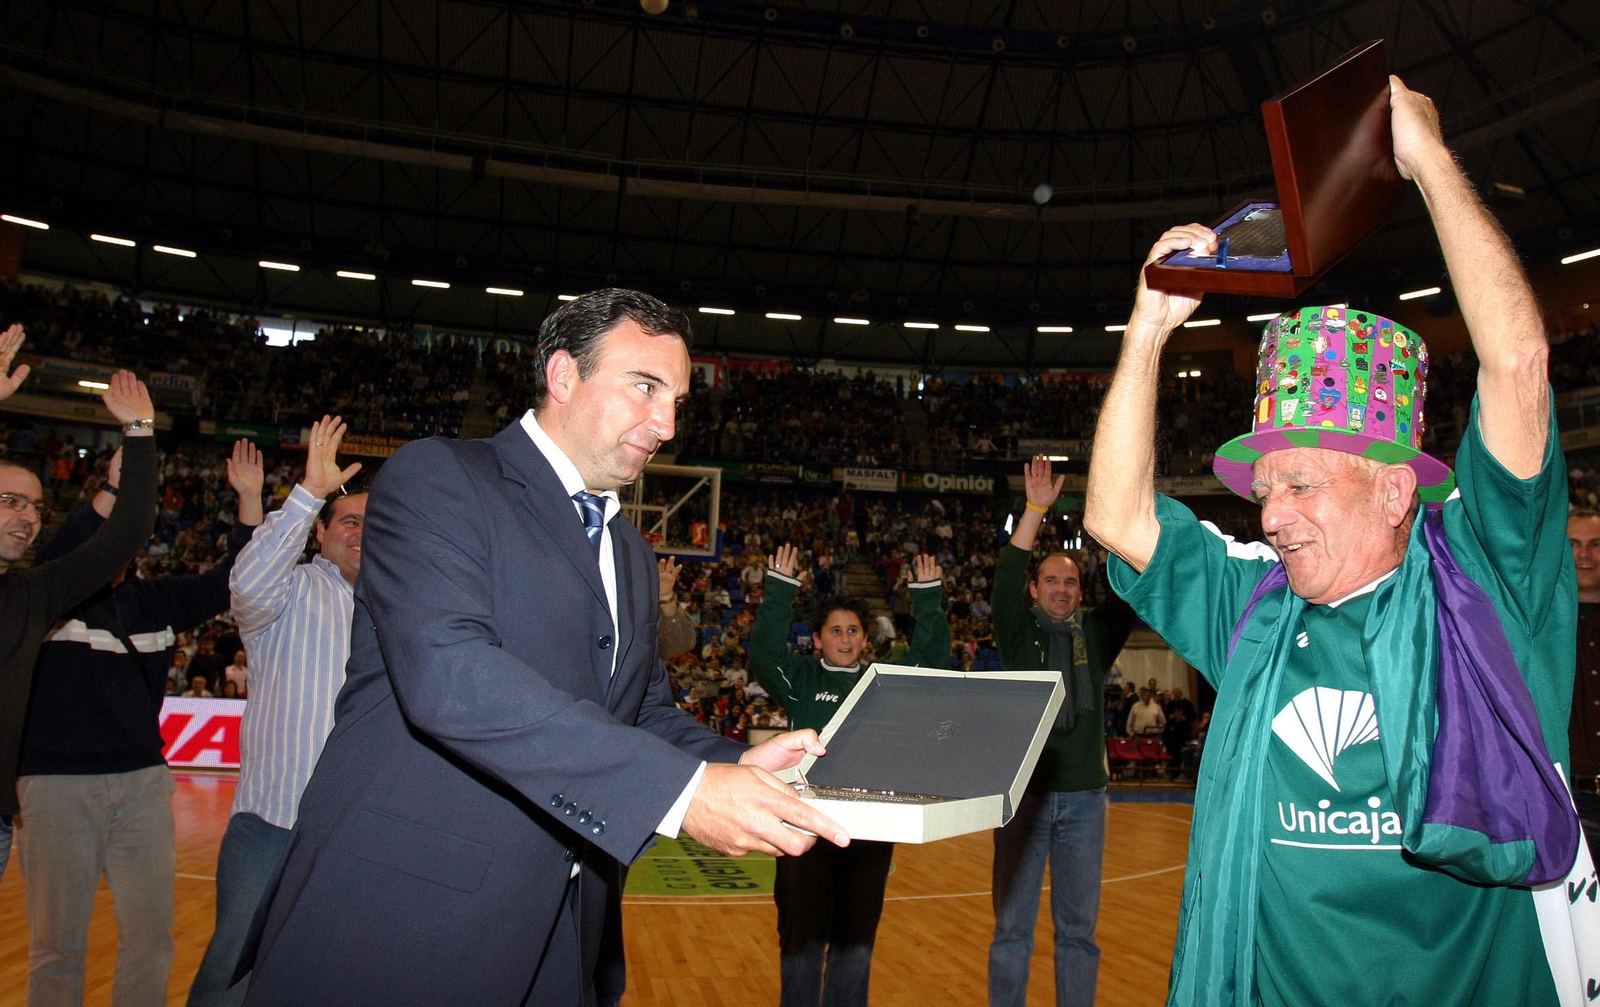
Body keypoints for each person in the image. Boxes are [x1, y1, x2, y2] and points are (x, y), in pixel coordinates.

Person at [1083, 78, 1583, 1006]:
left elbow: (1519, 366)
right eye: (1265, 491)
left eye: (1301, 484)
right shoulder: (1258, 608)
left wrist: (1426, 159)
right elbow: (1118, 518)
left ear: (1396, 488)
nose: (1270, 516)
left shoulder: (1484, 588)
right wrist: (1147, 329)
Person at [241, 289, 847, 1007]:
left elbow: (641, 710)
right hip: (403, 923)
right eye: (645, 387)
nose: (666, 424)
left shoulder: (629, 549)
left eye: (677, 401)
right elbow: (449, 675)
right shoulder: (438, 477)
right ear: (563, 374)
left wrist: (730, 761)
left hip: (565, 933)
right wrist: (681, 792)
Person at [15, 439, 262, 1007]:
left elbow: (233, 579)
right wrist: (113, 487)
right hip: (55, 786)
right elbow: (63, 547)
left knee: (152, 937)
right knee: (58, 946)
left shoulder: (156, 601)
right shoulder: (46, 595)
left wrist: (250, 501)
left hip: (143, 785)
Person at [186, 416, 366, 1007]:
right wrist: (308, 492)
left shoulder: (398, 610)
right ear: (321, 531)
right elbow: (248, 581)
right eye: (349, 520)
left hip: (356, 832)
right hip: (272, 826)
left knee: (333, 978)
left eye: (375, 524)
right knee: (231, 979)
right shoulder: (288, 591)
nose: (361, 533)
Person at [750, 541, 949, 1007]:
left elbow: (933, 659)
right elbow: (763, 653)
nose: (844, 639)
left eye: (853, 630)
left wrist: (927, 597)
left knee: (856, 945)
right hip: (803, 827)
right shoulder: (800, 678)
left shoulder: (884, 682)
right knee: (800, 942)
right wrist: (780, 590)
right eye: (835, 630)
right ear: (817, 639)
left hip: (871, 830)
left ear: (865, 638)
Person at [0, 348, 159, 887]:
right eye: (11, 501)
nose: (28, 517)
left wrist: (139, 433)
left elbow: (125, 534)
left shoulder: (32, 594)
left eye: (35, 507)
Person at [984, 456, 1136, 1007]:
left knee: (1078, 933)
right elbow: (1006, 574)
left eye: (1071, 581)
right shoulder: (1016, 632)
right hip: (1022, 801)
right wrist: (1035, 509)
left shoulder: (1095, 634)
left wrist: (1117, 519)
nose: (1063, 588)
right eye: (1051, 579)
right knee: (1011, 931)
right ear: (1034, 590)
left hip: (1085, 802)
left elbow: (1129, 589)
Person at [1567, 508, 1600, 852]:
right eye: (1573, 544)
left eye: (1596, 544)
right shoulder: (1536, 626)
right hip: (1569, 803)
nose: (1585, 555)